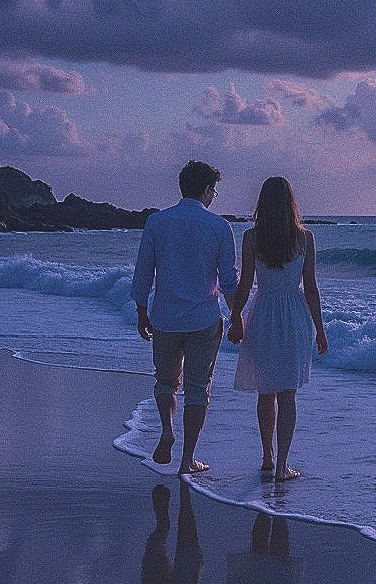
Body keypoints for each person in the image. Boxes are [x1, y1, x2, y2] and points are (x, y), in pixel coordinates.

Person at [132, 160, 238, 475]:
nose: (213, 196)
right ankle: (187, 458)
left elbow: (143, 271)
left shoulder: (156, 223)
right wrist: (238, 316)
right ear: (206, 190)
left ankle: (167, 429)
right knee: (197, 387)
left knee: (165, 380)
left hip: (164, 316)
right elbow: (229, 280)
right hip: (204, 318)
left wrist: (141, 308)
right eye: (213, 190)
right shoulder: (219, 227)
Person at [226, 176, 326, 481]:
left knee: (265, 391)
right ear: (290, 204)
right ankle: (283, 464)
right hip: (294, 317)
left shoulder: (252, 238)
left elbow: (244, 286)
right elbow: (310, 289)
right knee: (288, 394)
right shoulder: (304, 238)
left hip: (264, 313)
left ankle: (267, 456)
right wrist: (320, 329)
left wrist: (236, 317)